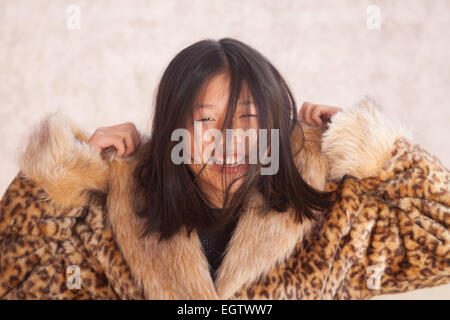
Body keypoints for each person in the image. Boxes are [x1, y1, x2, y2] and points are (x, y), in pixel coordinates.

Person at [0, 38, 448, 300]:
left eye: (248, 120)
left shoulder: (333, 218)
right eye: (204, 120)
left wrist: (374, 148)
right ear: (172, 124)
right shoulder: (106, 220)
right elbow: (13, 279)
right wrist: (60, 175)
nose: (229, 140)